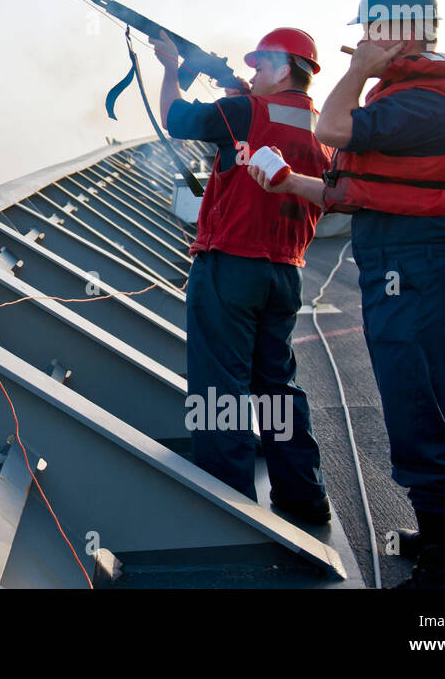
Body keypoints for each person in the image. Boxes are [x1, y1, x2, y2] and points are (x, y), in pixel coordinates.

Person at [247, 0, 445, 589]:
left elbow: (330, 130)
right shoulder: (409, 102)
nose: (362, 41)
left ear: (396, 30)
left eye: (370, 30)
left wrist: (357, 71)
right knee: (421, 411)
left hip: (416, 280)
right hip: (412, 277)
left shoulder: (419, 105)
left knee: (416, 418)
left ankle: (442, 567)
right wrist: (284, 182)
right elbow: (358, 193)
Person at [150, 26, 334, 526]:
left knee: (218, 387)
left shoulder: (245, 112)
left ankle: (225, 502)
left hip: (230, 264)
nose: (251, 74)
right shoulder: (325, 128)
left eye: (259, 66)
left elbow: (176, 118)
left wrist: (170, 69)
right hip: (285, 272)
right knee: (276, 385)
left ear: (280, 68)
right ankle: (302, 494)